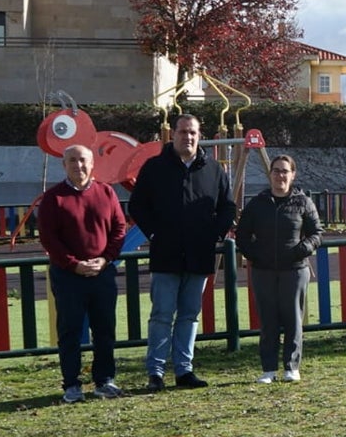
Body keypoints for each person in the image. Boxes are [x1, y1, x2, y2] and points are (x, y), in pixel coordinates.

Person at [128, 114, 237, 391]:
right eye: (183, 132)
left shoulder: (214, 170)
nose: (188, 137)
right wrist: (154, 233)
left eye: (193, 133)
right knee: (162, 315)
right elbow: (138, 205)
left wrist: (214, 233)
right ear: (172, 135)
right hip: (166, 254)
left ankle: (184, 371)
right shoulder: (154, 168)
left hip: (199, 254)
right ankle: (156, 371)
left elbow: (227, 207)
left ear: (200, 136)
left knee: (189, 315)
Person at [37, 144, 127, 403]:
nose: (79, 166)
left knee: (105, 329)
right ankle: (72, 384)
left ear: (92, 164)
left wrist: (106, 259)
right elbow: (49, 238)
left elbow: (119, 228)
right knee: (70, 331)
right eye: (73, 161)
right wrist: (73, 263)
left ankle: (104, 380)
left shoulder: (106, 192)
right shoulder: (53, 198)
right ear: (64, 165)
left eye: (83, 160)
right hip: (68, 276)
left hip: (102, 273)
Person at [236, 154, 322, 383]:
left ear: (292, 175)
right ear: (270, 174)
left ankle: (291, 367)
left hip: (294, 270)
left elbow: (316, 233)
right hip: (263, 271)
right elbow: (242, 235)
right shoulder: (257, 203)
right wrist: (255, 254)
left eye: (285, 171)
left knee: (293, 318)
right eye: (276, 171)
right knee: (268, 320)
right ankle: (268, 369)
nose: (280, 175)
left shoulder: (303, 202)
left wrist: (301, 249)